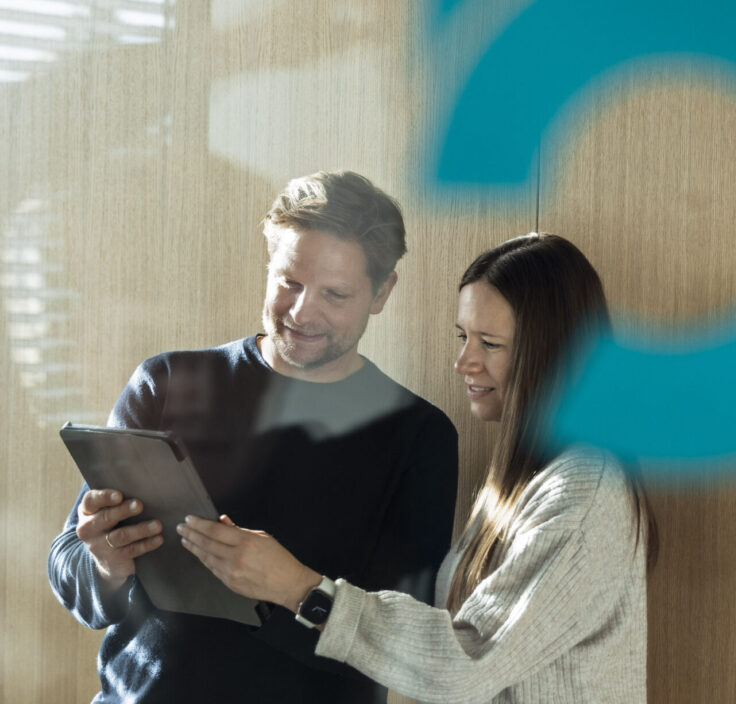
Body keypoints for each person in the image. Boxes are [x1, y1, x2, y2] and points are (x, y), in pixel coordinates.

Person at [179, 233, 657, 703]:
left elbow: (464, 665)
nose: (463, 362)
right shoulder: (529, 481)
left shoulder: (584, 493)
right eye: (463, 336)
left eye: (490, 343)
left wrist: (301, 589)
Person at [47, 170, 459, 703]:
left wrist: (292, 589)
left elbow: (405, 647)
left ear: (382, 292)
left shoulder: (419, 437)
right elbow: (69, 566)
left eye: (335, 294)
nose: (302, 312)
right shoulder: (165, 383)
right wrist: (104, 562)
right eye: (289, 282)